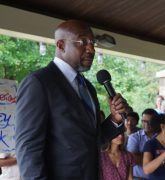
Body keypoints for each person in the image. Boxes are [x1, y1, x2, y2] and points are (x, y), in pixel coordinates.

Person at [15, 20, 128, 179]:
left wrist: (115, 119)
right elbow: (28, 148)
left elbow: (93, 141)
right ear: (61, 45)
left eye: (92, 42)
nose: (91, 49)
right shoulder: (39, 83)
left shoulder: (88, 88)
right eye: (83, 42)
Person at [127, 108, 158, 179]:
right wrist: (158, 159)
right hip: (139, 177)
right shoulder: (134, 137)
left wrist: (142, 155)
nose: (146, 124)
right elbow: (133, 158)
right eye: (144, 121)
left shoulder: (161, 136)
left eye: (149, 121)